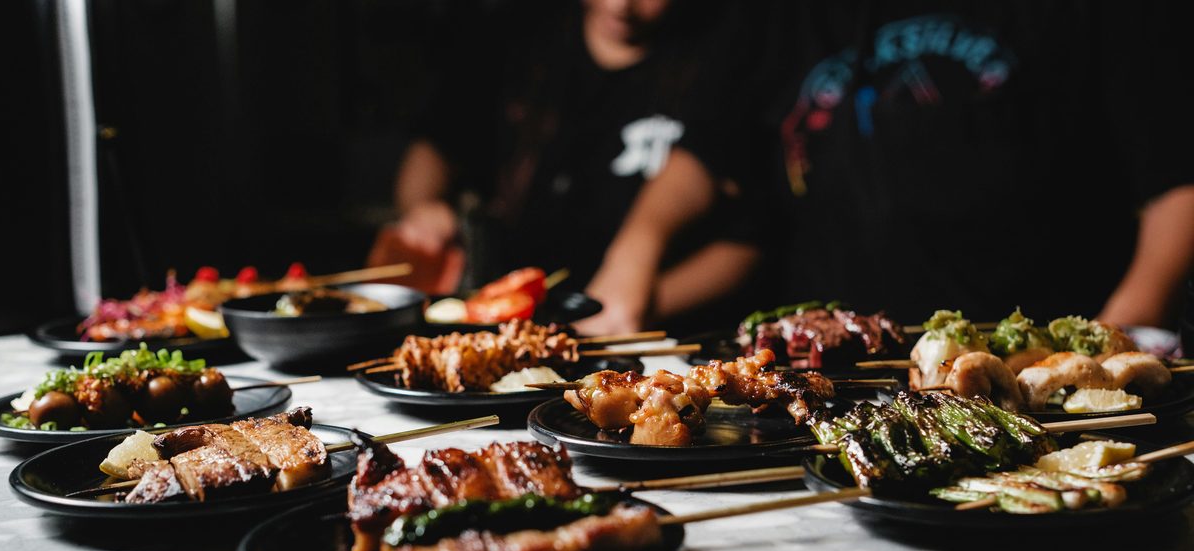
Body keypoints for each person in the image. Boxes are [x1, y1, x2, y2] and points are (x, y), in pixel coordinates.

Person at [587, 1, 1194, 331]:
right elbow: (708, 152)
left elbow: (1178, 180)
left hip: (1019, 360)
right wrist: (631, 256)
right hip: (827, 372)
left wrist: (1126, 331)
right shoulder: (780, 14)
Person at [366, 0, 760, 329]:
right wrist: (423, 207)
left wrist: (639, 295)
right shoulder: (518, 37)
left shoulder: (720, 54)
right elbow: (437, 143)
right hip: (509, 319)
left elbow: (750, 235)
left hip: (647, 332)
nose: (622, 5)